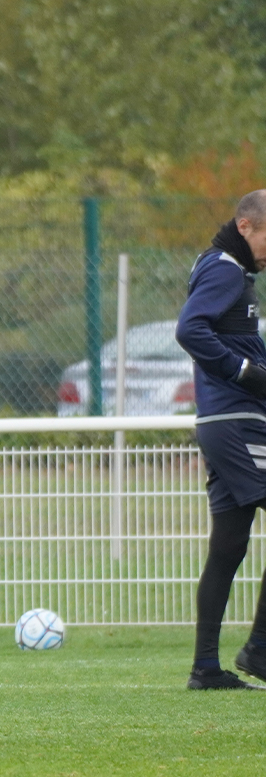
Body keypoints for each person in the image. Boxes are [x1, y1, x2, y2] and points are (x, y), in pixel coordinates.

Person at [176, 189, 266, 689]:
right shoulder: (226, 268)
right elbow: (190, 329)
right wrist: (248, 373)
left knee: (229, 544)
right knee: (228, 545)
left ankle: (206, 669)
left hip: (226, 422)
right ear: (246, 225)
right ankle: (260, 649)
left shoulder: (228, 267)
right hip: (236, 422)